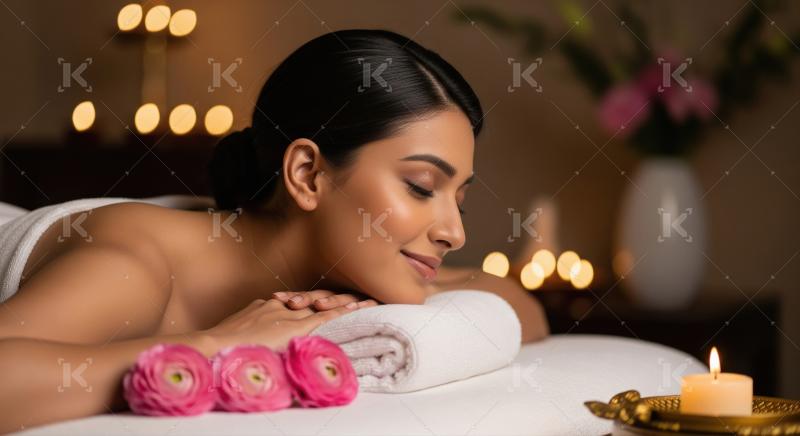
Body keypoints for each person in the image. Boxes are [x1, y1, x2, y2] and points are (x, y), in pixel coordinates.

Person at [0, 29, 548, 432]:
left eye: (462, 200)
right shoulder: (134, 262)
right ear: (307, 174)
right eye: (422, 187)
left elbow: (517, 304)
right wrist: (215, 345)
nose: (453, 231)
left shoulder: (339, 276)